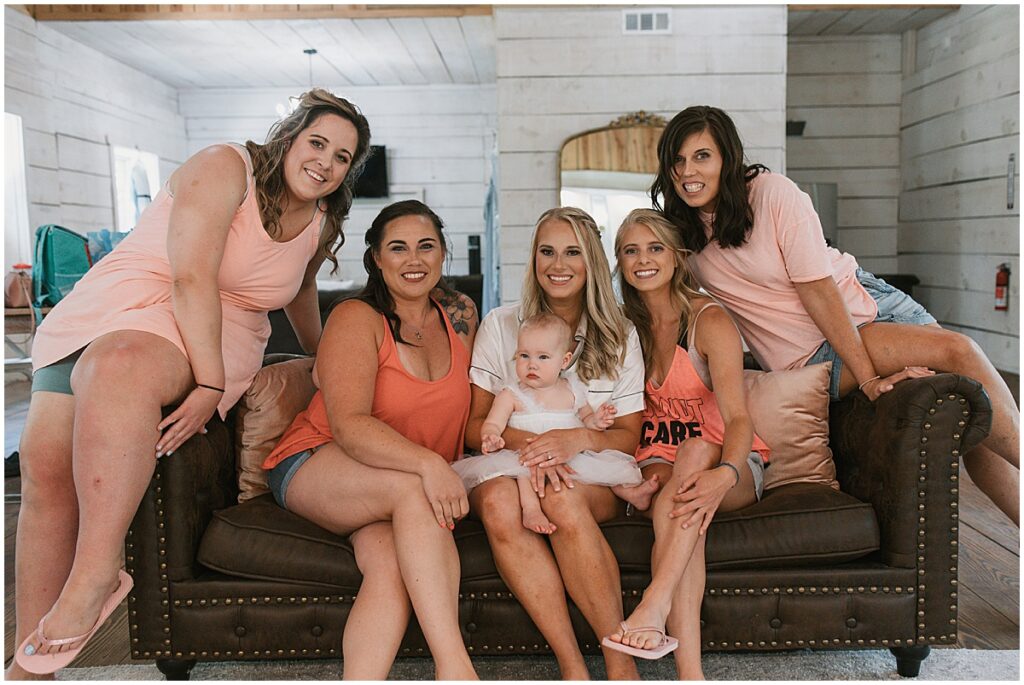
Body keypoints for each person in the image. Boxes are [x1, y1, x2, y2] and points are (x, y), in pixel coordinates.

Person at [11, 89, 372, 678]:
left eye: (342, 157)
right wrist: (205, 384)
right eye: (318, 143)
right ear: (289, 136)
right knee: (45, 470)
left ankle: (98, 572)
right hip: (123, 301)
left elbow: (302, 289)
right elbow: (189, 276)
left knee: (118, 363)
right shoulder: (223, 166)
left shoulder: (323, 218)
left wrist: (323, 359)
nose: (325, 163)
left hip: (215, 330)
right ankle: (32, 664)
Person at [651, 105, 1019, 526]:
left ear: (727, 159)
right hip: (809, 355)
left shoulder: (771, 193)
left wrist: (867, 376)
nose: (687, 170)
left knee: (975, 422)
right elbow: (658, 289)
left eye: (702, 156)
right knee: (960, 351)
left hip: (864, 305)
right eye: (677, 160)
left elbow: (819, 289)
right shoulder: (681, 232)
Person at [261, 200, 479, 680]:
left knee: (389, 568)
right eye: (397, 248)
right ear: (376, 259)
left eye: (426, 246)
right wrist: (429, 465)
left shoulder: (461, 313)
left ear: (443, 253)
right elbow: (349, 425)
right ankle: (456, 669)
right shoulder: (356, 317)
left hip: (391, 482)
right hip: (319, 460)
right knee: (413, 493)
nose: (414, 259)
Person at [466, 207, 659, 680]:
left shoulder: (620, 334)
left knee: (562, 496)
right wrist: (536, 447)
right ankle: (573, 666)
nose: (559, 264)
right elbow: (474, 426)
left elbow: (627, 437)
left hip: (590, 469)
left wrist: (574, 439)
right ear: (533, 259)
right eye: (547, 251)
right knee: (495, 503)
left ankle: (619, 664)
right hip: (511, 462)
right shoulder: (501, 324)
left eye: (573, 252)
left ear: (591, 260)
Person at [602, 209, 770, 676]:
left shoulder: (708, 320)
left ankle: (654, 604)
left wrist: (727, 472)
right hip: (656, 457)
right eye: (630, 250)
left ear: (677, 257)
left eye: (655, 248)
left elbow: (738, 419)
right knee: (675, 504)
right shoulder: (623, 326)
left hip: (727, 459)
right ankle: (690, 674)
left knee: (695, 454)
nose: (643, 260)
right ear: (619, 261)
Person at [454, 312, 647, 535]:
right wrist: (491, 436)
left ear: (564, 361)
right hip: (526, 456)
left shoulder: (572, 389)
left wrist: (598, 420)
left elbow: (586, 419)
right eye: (524, 356)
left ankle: (629, 492)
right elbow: (492, 423)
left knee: (596, 466)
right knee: (522, 474)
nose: (531, 365)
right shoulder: (511, 394)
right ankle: (531, 510)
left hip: (568, 455)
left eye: (543, 357)